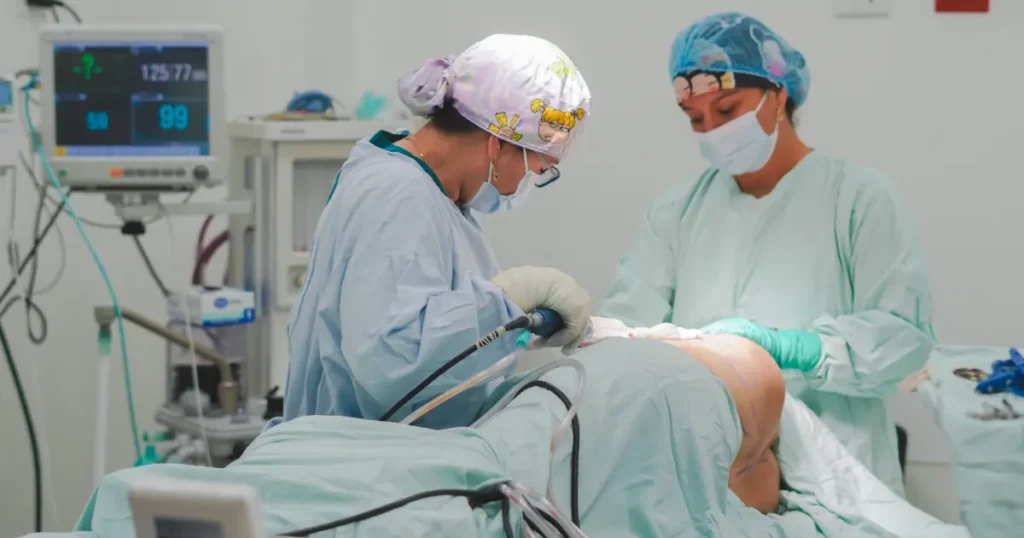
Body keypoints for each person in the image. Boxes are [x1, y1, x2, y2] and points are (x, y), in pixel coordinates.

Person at [600, 12, 936, 496]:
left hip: (838, 474)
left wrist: (795, 349)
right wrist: (595, 336)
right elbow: (630, 327)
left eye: (727, 109)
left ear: (778, 94)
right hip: (714, 467)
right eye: (696, 119)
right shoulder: (677, 212)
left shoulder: (859, 199)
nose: (711, 130)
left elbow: (904, 340)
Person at [283, 34, 593, 430]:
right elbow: (391, 358)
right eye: (538, 166)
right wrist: (507, 301)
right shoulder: (398, 196)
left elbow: (425, 328)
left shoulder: (430, 195)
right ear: (497, 143)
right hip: (362, 456)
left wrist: (519, 324)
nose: (525, 184)